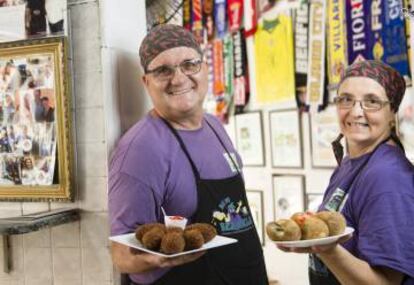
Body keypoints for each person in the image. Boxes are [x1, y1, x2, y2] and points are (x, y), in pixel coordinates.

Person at [108, 24, 268, 285]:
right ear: (146, 82)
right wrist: (159, 259)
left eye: (189, 64)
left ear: (205, 68)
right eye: (163, 70)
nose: (179, 78)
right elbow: (122, 254)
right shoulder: (141, 150)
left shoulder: (214, 125)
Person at [278, 60, 414, 284]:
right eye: (346, 99)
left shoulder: (388, 176)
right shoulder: (350, 164)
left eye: (372, 101)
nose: (356, 112)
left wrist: (326, 249)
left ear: (392, 113)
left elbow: (386, 282)